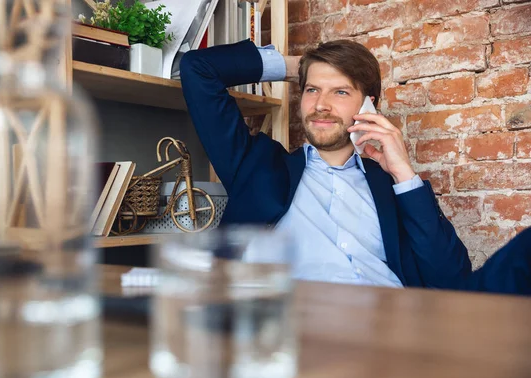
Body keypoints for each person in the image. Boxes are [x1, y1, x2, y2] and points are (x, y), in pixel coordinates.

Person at [179, 39, 528, 294]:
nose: (321, 105)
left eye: (341, 92)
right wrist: (299, 66)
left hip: (394, 334)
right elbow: (198, 69)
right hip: (300, 335)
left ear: (368, 105)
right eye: (313, 90)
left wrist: (404, 174)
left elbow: (451, 279)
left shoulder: (390, 187)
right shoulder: (255, 164)